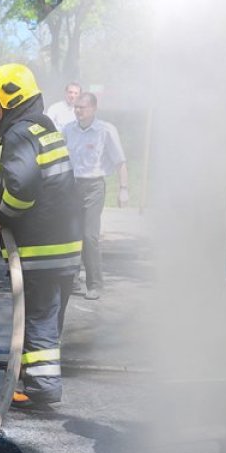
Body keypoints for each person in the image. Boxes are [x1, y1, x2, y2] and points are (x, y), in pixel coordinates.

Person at [0, 63, 83, 412]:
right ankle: (36, 377)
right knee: (48, 317)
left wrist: (3, 215)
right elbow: (29, 179)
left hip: (40, 247)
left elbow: (22, 190)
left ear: (10, 98)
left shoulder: (18, 133)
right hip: (65, 245)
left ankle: (42, 387)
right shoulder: (43, 128)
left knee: (38, 317)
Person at [63, 92, 129, 300]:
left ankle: (95, 284)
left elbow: (120, 161)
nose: (78, 111)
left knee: (89, 235)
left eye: (82, 107)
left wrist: (123, 189)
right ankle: (73, 279)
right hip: (72, 186)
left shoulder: (106, 131)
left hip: (94, 187)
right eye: (76, 107)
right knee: (72, 234)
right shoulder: (68, 130)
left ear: (93, 108)